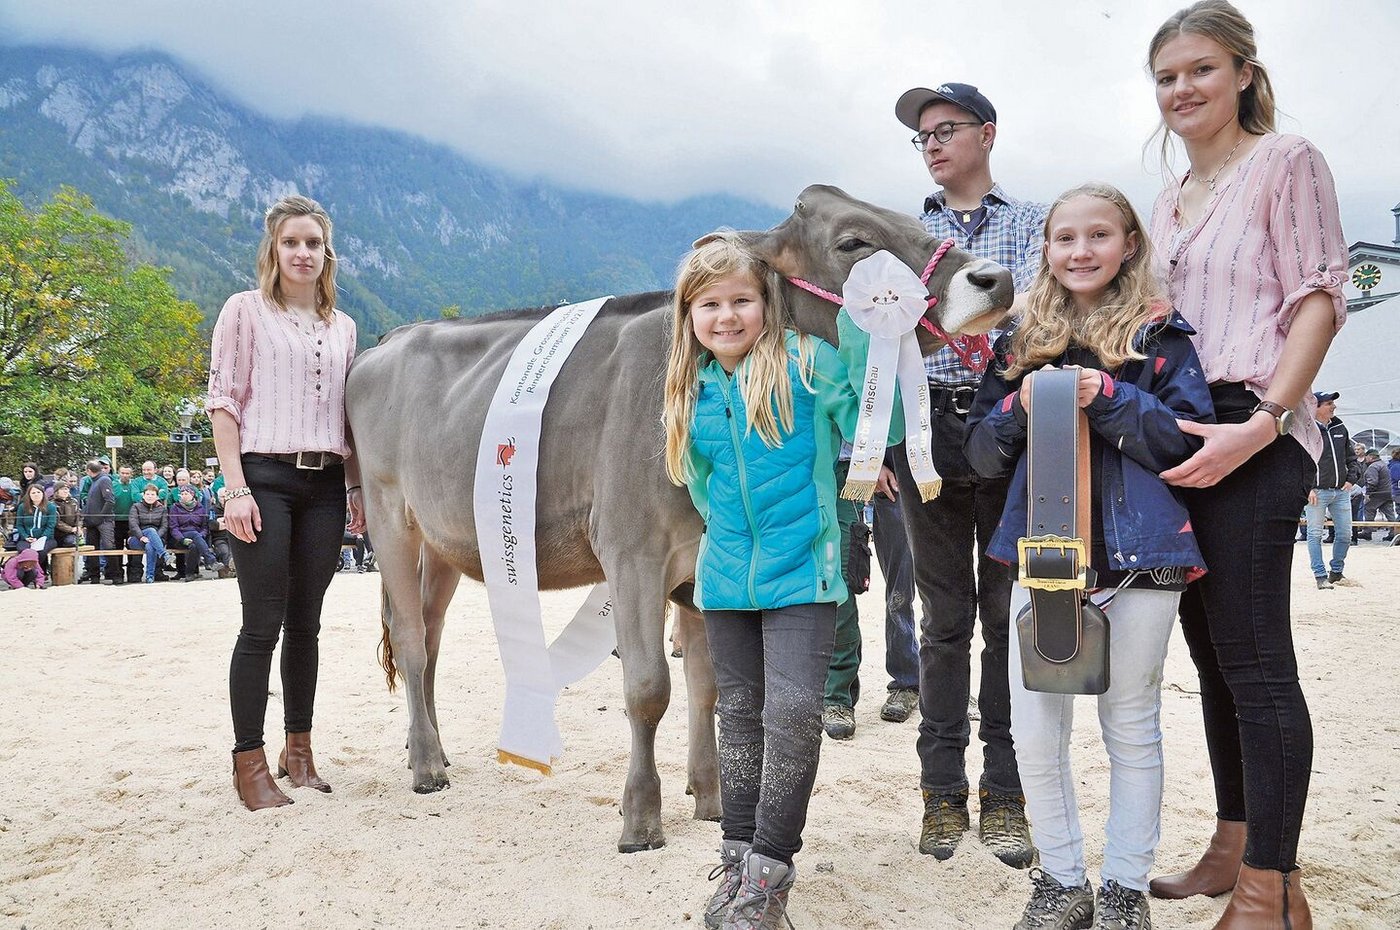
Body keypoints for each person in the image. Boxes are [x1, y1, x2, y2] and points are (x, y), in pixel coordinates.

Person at [966, 182, 1213, 930]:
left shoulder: (1163, 337)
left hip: (1141, 558)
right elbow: (978, 454)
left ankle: (1125, 890)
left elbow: (1184, 441)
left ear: (1129, 244)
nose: (1081, 251)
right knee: (1037, 725)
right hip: (1041, 555)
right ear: (1046, 249)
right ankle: (1062, 881)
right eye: (1065, 238)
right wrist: (1017, 408)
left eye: (1098, 235)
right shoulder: (1014, 342)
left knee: (1131, 721)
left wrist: (1108, 393)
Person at [1146, 4, 1346, 924]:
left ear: (1244, 75)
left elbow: (1317, 301)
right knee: (1213, 651)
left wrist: (1266, 419)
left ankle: (1275, 884)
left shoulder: (1286, 162)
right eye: (1167, 76)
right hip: (1183, 427)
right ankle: (1233, 842)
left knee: (1257, 654)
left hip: (1255, 422)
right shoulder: (1164, 201)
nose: (1182, 89)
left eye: (1200, 70)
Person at [663, 232, 889, 929]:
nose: (726, 316)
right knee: (737, 717)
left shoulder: (807, 363)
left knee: (792, 716)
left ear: (768, 302)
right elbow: (697, 485)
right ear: (689, 315)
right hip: (727, 580)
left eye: (741, 300)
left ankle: (768, 878)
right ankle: (736, 865)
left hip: (805, 576)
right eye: (710, 304)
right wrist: (728, 548)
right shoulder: (687, 389)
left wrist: (862, 328)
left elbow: (873, 418)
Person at [892, 80, 1047, 866]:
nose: (932, 143)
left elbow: (1040, 320)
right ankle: (942, 794)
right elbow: (880, 344)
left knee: (1009, 620)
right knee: (943, 621)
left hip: (1012, 436)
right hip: (924, 437)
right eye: (922, 135)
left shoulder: (1038, 224)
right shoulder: (903, 236)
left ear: (988, 133)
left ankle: (1010, 795)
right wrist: (882, 441)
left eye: (945, 128)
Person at [207, 194, 362, 811]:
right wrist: (235, 487)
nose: (303, 253)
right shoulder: (245, 311)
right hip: (264, 478)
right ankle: (249, 763)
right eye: (292, 242)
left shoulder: (343, 327)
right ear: (274, 249)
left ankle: (299, 752)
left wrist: (354, 487)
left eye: (314, 244)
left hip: (324, 482)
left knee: (307, 624)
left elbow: (349, 421)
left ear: (328, 256)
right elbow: (224, 402)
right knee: (260, 623)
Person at [1305, 391, 1359, 587]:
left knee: (1345, 534)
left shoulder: (1340, 427)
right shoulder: (1308, 429)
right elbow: (1301, 462)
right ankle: (1320, 576)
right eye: (1328, 403)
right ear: (1316, 407)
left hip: (1341, 491)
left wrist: (1352, 479)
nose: (1333, 407)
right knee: (1314, 535)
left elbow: (1351, 458)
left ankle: (1336, 571)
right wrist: (1308, 488)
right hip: (1317, 493)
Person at [170, 485, 224, 581]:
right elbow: (174, 528)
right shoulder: (175, 508)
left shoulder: (200, 508)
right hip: (179, 537)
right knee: (195, 534)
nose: (183, 496)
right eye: (182, 494)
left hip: (197, 538)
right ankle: (211, 561)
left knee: (194, 545)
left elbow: (204, 527)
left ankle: (190, 573)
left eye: (186, 493)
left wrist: (201, 535)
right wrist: (182, 539)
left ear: (192, 495)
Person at [80, 460, 121, 585]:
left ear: (88, 471)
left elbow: (110, 501)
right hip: (92, 520)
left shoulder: (104, 480)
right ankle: (94, 576)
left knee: (109, 547)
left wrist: (100, 517)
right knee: (92, 548)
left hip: (104, 521)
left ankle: (115, 575)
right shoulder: (95, 481)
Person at [13, 483, 58, 584]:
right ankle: (27, 575)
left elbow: (51, 525)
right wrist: (26, 536)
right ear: (29, 495)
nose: (36, 494)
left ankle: (37, 575)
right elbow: (19, 525)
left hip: (46, 538)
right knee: (24, 550)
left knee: (40, 552)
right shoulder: (22, 507)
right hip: (26, 538)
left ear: (43, 493)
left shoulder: (51, 507)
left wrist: (41, 538)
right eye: (33, 492)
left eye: (38, 492)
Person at [127, 484, 170, 584]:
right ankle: (164, 554)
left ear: (157, 496)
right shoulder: (136, 507)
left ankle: (150, 576)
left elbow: (164, 526)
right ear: (143, 495)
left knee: (151, 545)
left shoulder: (162, 508)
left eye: (152, 494)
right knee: (150, 530)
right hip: (137, 538)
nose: (150, 496)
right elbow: (133, 524)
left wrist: (155, 538)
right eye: (148, 494)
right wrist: (141, 537)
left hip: (156, 538)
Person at [1359, 449, 1395, 541]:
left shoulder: (1373, 467)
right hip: (1387, 492)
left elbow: (1372, 482)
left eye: (1366, 456)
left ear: (1370, 457)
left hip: (1376, 494)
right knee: (1390, 514)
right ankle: (1394, 532)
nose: (1365, 458)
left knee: (1369, 510)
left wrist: (1368, 494)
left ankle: (1367, 532)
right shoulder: (1383, 464)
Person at [52, 483, 80, 549]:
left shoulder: (74, 502)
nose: (65, 491)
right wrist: (71, 529)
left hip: (73, 533)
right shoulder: (52, 504)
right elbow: (57, 522)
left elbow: (79, 516)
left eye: (67, 489)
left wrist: (79, 527)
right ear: (56, 491)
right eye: (62, 489)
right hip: (58, 533)